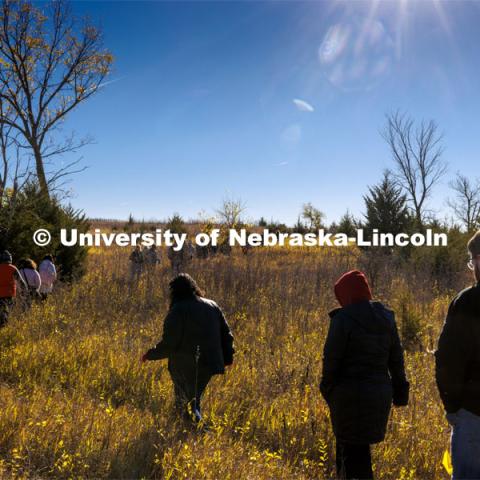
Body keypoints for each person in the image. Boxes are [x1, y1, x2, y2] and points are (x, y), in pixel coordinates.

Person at [320, 270, 409, 480]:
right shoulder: (386, 319)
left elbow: (331, 361)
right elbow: (396, 359)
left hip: (348, 397)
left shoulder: (343, 320)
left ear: (347, 294)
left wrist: (327, 390)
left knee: (350, 456)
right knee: (359, 452)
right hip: (379, 396)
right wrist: (400, 394)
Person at [141, 274, 234, 423]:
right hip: (210, 363)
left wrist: (150, 354)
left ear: (174, 292)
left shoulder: (178, 310)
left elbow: (170, 343)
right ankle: (189, 430)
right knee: (193, 399)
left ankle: (198, 428)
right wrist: (228, 358)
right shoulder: (212, 305)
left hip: (185, 364)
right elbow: (227, 335)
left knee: (186, 403)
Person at [436, 230, 480, 480]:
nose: (472, 267)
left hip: (473, 415)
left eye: (472, 261)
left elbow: (448, 361)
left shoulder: (468, 302)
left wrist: (453, 407)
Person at [0, 250, 27, 326]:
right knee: (8, 312)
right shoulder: (13, 268)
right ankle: (5, 328)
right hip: (10, 295)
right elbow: (21, 282)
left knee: (1, 313)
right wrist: (24, 292)